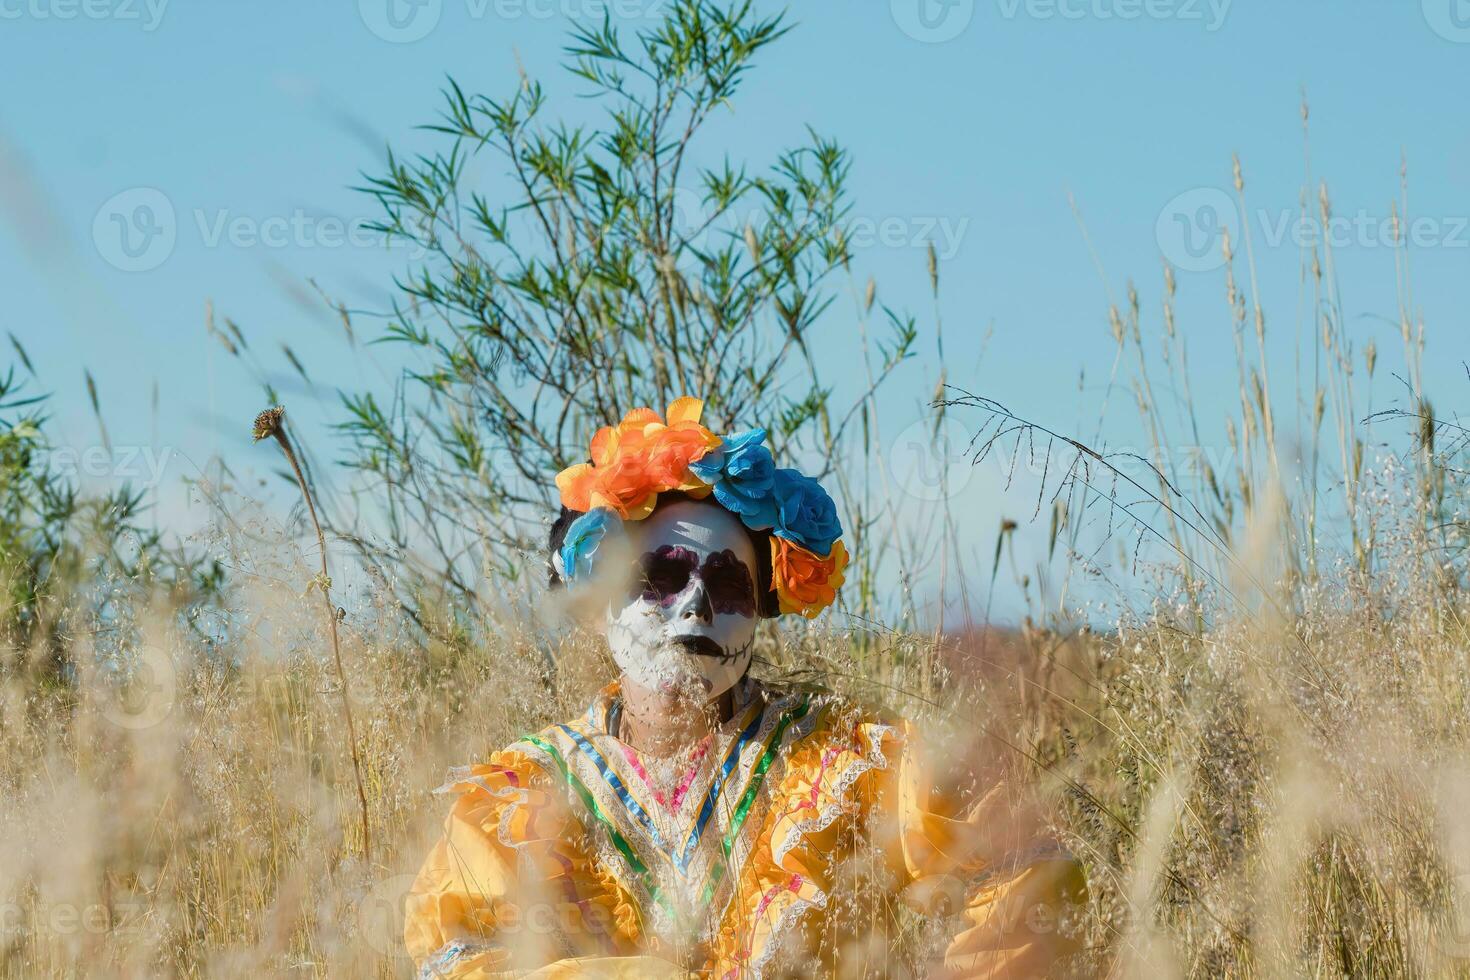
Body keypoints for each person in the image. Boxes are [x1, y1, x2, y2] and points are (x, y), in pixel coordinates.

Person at [404, 398, 1085, 978]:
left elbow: (1023, 864)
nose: (696, 607)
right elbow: (456, 956)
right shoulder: (518, 794)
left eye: (729, 584)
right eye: (663, 578)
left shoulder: (845, 763)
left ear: (760, 608)